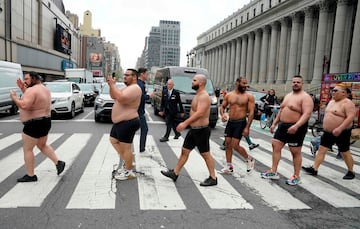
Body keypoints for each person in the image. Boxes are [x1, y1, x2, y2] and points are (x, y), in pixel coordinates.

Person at [161, 74, 217, 186]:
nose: (192, 82)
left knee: (205, 154)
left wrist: (185, 123)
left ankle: (213, 178)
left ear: (201, 83)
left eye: (194, 80)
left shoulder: (204, 96)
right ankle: (175, 173)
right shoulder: (198, 95)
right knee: (185, 151)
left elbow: (200, 113)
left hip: (201, 130)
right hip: (194, 130)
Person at [9, 71, 65, 182]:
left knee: (28, 149)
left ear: (34, 78)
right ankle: (58, 162)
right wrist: (23, 89)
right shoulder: (44, 89)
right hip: (45, 121)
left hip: (33, 123)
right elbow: (35, 99)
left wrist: (14, 97)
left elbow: (24, 105)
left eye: (27, 79)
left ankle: (31, 175)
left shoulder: (31, 90)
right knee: (42, 145)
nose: (24, 81)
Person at [261, 75, 313, 185]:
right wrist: (274, 124)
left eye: (298, 82)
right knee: (275, 145)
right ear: (291, 83)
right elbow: (281, 110)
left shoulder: (305, 97)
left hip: (296, 127)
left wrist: (296, 126)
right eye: (294, 82)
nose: (295, 84)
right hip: (283, 126)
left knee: (295, 151)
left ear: (302, 84)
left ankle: (296, 175)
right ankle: (273, 171)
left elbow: (307, 114)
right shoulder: (288, 96)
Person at [302, 83, 356, 180]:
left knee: (344, 152)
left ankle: (351, 171)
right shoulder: (331, 102)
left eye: (336, 91)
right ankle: (314, 168)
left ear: (344, 93)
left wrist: (340, 128)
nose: (333, 92)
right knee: (322, 149)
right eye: (333, 90)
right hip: (328, 132)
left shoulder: (348, 103)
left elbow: (350, 118)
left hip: (342, 132)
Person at [109, 69, 142, 180]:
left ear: (134, 77)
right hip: (120, 122)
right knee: (113, 140)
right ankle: (128, 161)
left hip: (128, 122)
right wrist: (111, 85)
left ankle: (129, 172)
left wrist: (113, 85)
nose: (124, 77)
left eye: (127, 75)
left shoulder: (135, 88)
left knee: (126, 147)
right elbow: (114, 96)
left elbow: (122, 99)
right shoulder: (127, 88)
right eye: (124, 75)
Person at [219, 77, 256, 174]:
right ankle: (229, 166)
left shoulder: (249, 96)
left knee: (235, 145)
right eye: (243, 83)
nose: (245, 85)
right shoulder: (229, 95)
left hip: (241, 122)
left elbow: (251, 112)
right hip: (231, 122)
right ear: (237, 83)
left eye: (246, 84)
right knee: (227, 144)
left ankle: (249, 159)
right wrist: (223, 115)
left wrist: (247, 127)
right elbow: (222, 107)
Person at [137, 67, 154, 153]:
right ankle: (142, 148)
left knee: (140, 129)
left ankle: (141, 148)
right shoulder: (140, 84)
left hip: (138, 111)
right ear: (142, 74)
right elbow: (140, 96)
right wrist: (149, 96)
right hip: (139, 111)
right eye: (146, 74)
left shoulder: (140, 83)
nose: (147, 76)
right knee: (144, 129)